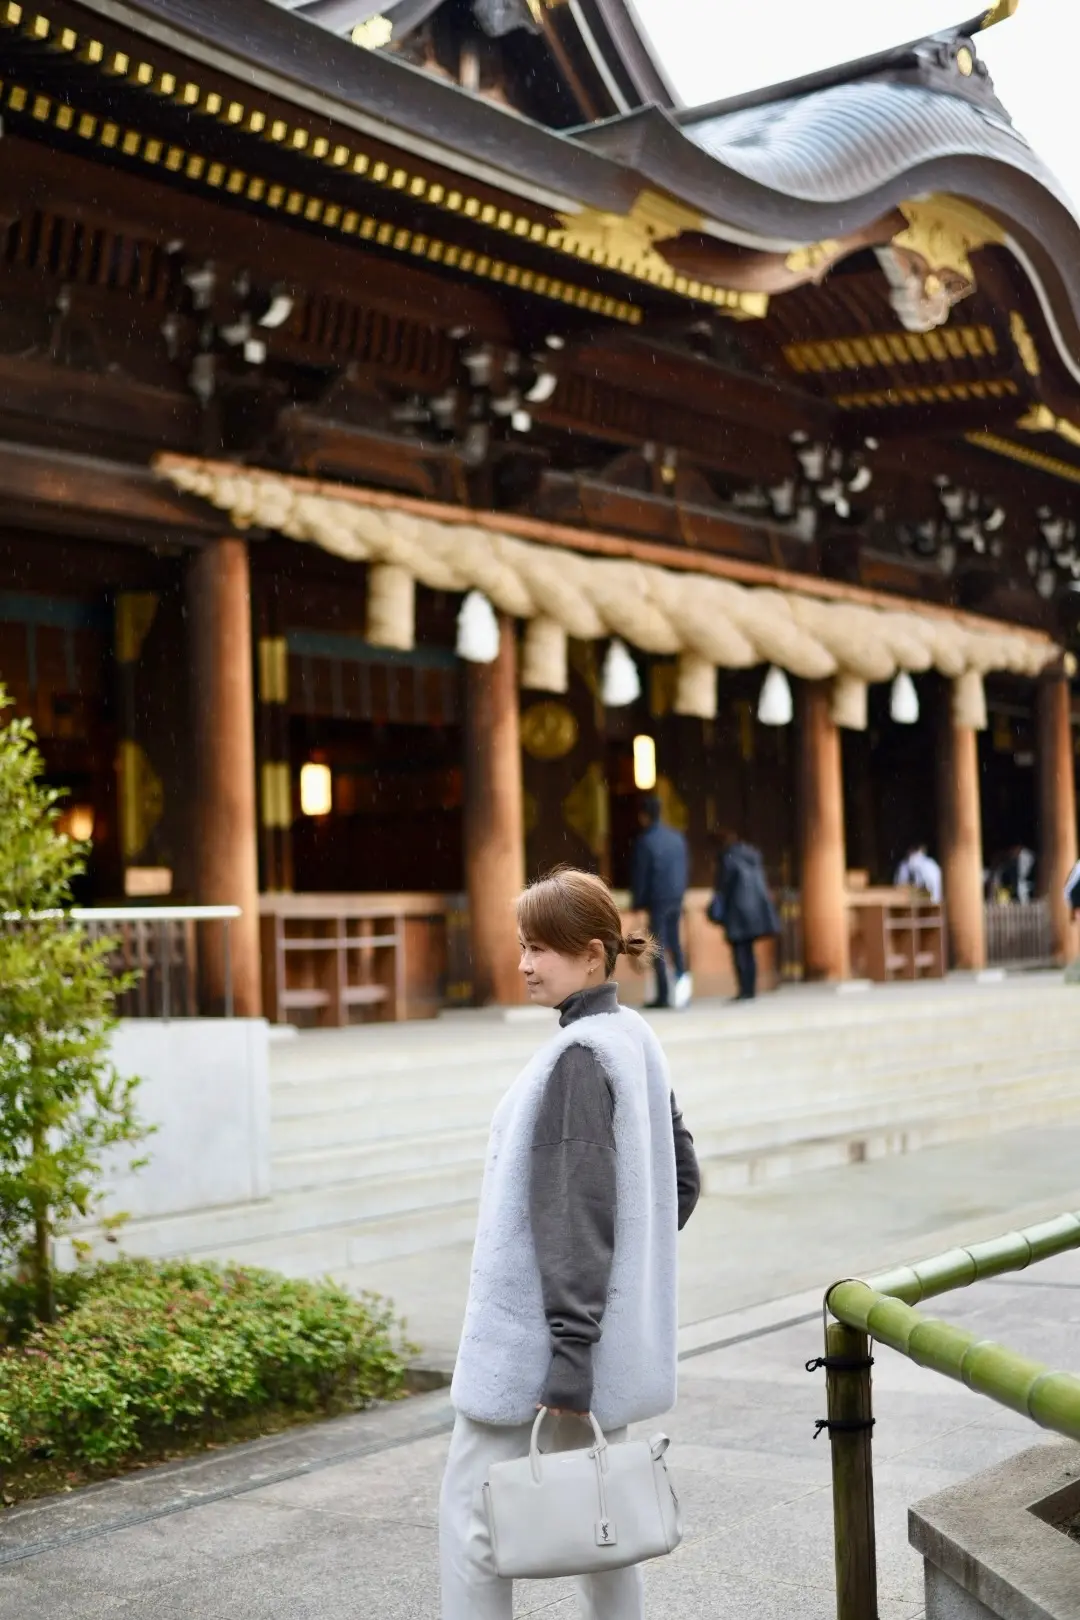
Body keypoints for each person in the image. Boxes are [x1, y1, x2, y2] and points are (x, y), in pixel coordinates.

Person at [440, 866, 700, 1620]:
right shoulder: (633, 1036)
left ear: (591, 954)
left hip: (537, 1348)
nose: (523, 964)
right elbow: (678, 1184)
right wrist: (619, 1291)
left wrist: (569, 1348)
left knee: (471, 1521)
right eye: (521, 946)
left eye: (540, 949)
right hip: (585, 1343)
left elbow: (572, 1216)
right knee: (605, 1519)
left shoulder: (577, 1057)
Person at [630, 793, 690, 1009]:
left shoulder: (646, 841)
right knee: (675, 944)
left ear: (644, 815)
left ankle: (664, 995)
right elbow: (684, 868)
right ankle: (683, 993)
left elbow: (642, 875)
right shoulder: (677, 838)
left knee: (659, 945)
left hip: (657, 899)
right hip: (676, 896)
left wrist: (638, 901)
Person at [709, 830, 780, 1001]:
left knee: (740, 951)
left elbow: (723, 888)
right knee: (749, 950)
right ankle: (751, 987)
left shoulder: (728, 859)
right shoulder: (752, 856)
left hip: (737, 909)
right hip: (754, 909)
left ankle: (744, 989)